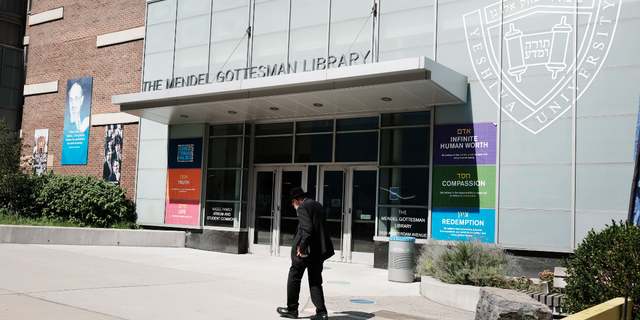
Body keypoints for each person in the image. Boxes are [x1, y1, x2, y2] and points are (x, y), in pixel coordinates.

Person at [277, 187, 334, 320]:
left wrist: (302, 249)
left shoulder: (303, 208)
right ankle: (322, 313)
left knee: (294, 277)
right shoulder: (317, 205)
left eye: (293, 203)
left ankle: (292, 309)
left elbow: (307, 229)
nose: (293, 205)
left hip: (306, 251)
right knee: (315, 281)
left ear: (297, 200)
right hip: (319, 250)